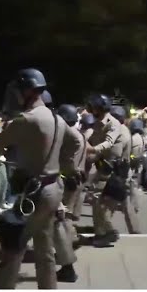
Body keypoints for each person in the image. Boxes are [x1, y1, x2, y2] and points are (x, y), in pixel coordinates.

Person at [0, 68, 81, 289]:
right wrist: (65, 165)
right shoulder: (56, 118)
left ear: (28, 90)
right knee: (44, 248)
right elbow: (77, 143)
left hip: (33, 193)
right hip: (53, 188)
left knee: (14, 244)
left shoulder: (27, 119)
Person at [85, 93, 126, 247]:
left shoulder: (112, 123)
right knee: (96, 201)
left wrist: (92, 150)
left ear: (99, 108)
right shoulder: (98, 123)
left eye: (93, 107)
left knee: (100, 203)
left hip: (110, 169)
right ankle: (100, 233)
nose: (91, 109)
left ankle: (107, 232)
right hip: (102, 165)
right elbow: (92, 140)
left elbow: (108, 143)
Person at [55, 103, 86, 282]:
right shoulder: (79, 134)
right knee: (64, 220)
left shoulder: (69, 135)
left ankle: (66, 263)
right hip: (74, 179)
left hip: (66, 181)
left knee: (60, 221)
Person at [110, 105, 141, 234]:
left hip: (118, 171)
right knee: (124, 203)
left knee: (105, 204)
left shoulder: (120, 131)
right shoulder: (123, 130)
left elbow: (115, 155)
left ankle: (105, 231)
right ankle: (134, 230)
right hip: (122, 170)